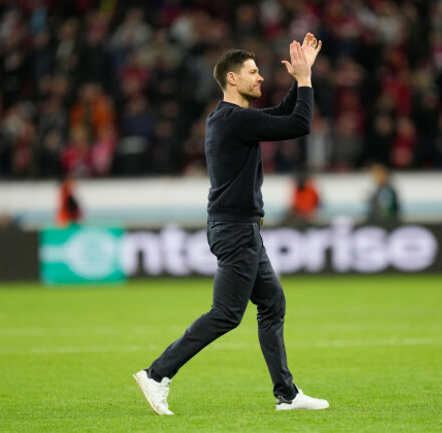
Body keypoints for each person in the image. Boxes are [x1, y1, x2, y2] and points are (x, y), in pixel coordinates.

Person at [133, 33, 329, 414]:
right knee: (226, 314)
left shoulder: (231, 119)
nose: (260, 78)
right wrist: (303, 82)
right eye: (253, 72)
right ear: (232, 79)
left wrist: (303, 75)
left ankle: (286, 395)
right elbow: (299, 124)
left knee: (272, 304)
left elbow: (283, 115)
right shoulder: (234, 120)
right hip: (235, 230)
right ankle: (157, 374)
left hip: (242, 228)